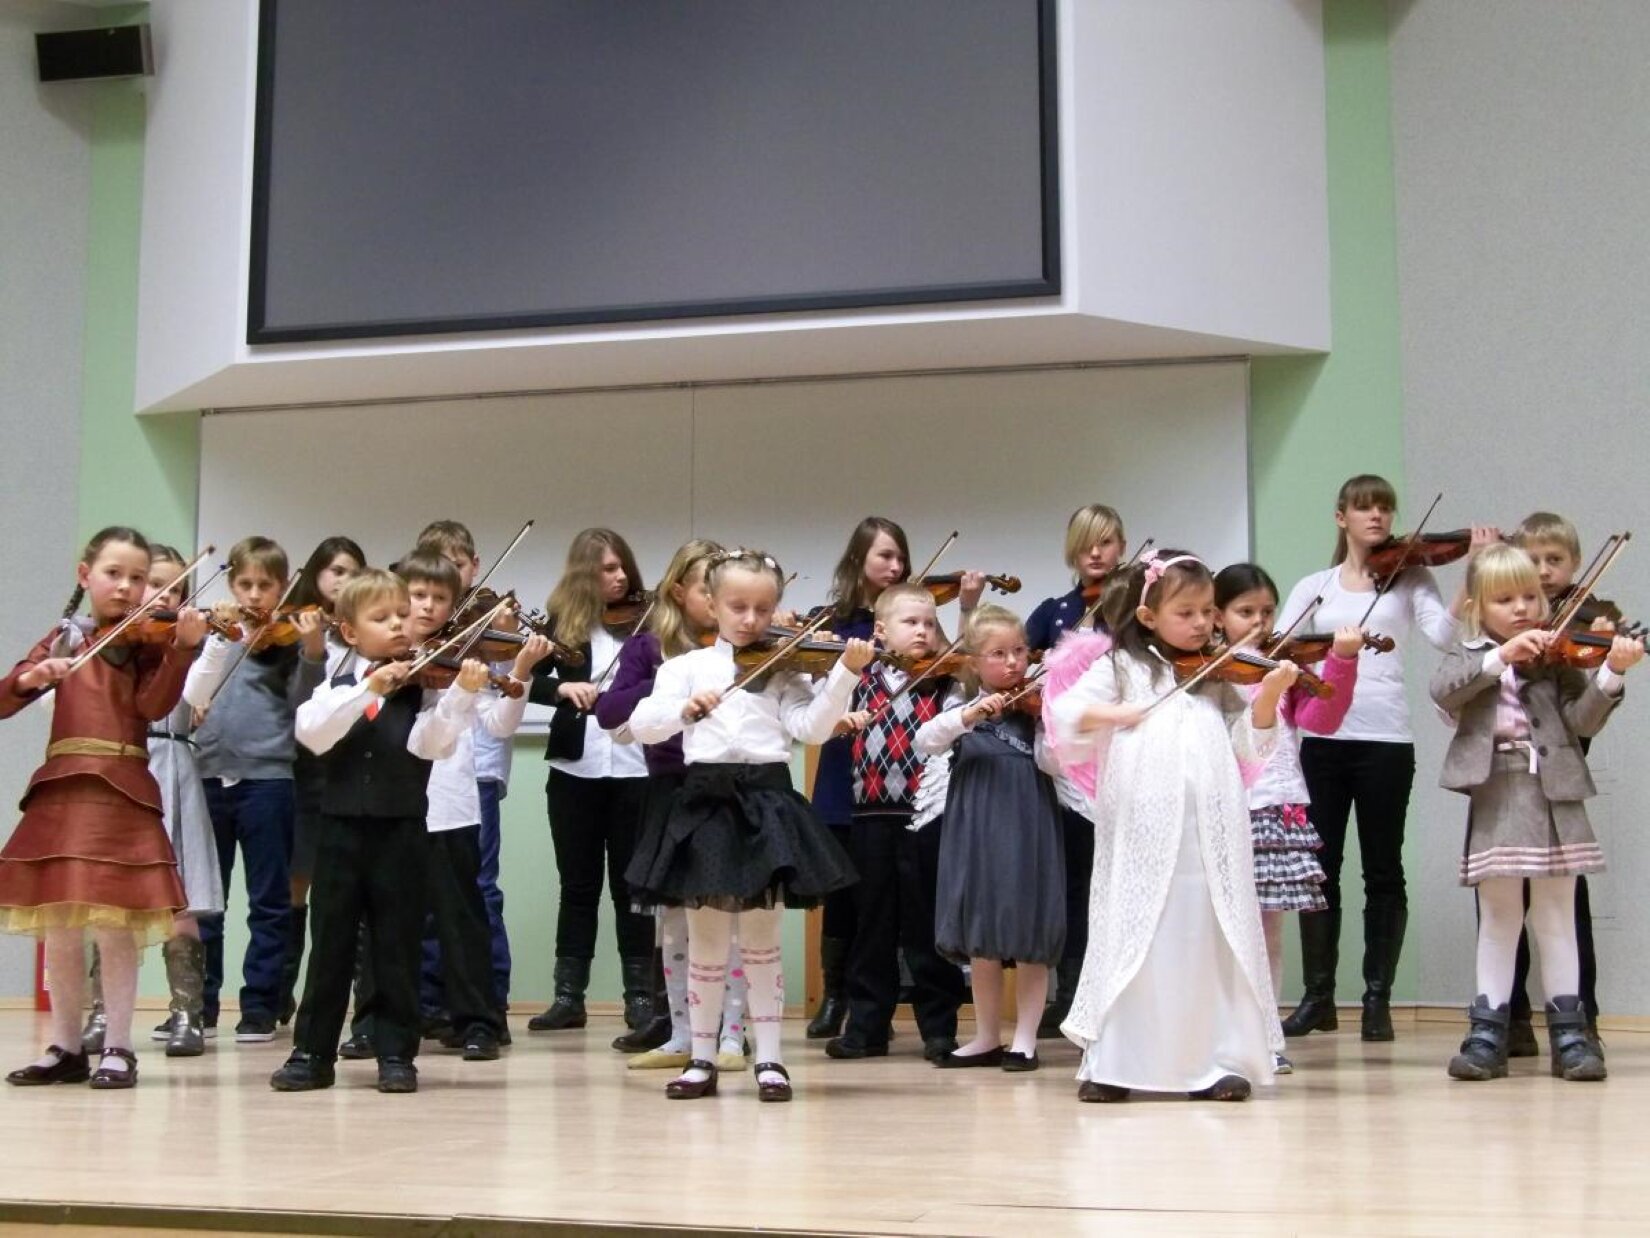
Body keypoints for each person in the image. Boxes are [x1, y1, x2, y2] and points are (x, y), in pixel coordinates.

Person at [1051, 551, 1294, 1103]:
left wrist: (1271, 695)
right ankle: (1116, 1063)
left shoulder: (1221, 674)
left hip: (1210, 832)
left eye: (1208, 611)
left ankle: (1216, 1061)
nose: (1202, 623)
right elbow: (1066, 715)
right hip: (1141, 828)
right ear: (1148, 616)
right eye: (1186, 612)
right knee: (1140, 931)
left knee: (1206, 934)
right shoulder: (1119, 668)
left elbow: (1249, 747)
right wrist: (1111, 714)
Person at [628, 549, 869, 1101]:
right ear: (711, 605)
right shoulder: (683, 668)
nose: (752, 619)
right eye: (738, 606)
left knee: (762, 943)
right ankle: (702, 1057)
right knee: (707, 943)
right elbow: (641, 725)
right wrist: (685, 710)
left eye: (764, 607)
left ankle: (771, 1059)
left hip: (765, 802)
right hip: (706, 804)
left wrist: (843, 676)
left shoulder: (783, 667)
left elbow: (811, 729)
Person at [1276, 476, 1495, 1041]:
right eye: (1364, 507)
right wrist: (1324, 658)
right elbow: (1278, 647)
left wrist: (1471, 574)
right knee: (1320, 872)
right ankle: (1319, 997)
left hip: (1386, 742)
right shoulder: (1316, 586)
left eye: (1384, 508)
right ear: (1340, 516)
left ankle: (1378, 1001)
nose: (1376, 516)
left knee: (1383, 871)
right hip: (1321, 743)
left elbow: (1448, 637)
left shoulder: (1411, 577)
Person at [2, 527, 204, 1089]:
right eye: (114, 574)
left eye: (138, 578)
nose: (127, 587)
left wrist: (184, 651)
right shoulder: (65, 637)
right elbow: (4, 700)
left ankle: (118, 1045)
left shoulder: (147, 644)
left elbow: (152, 704)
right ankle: (65, 1047)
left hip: (120, 787)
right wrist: (33, 676)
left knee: (115, 927)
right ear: (84, 574)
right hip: (63, 786)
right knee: (62, 926)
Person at [1431, 544, 1639, 1083]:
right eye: (1505, 599)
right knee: (1500, 918)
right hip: (1498, 791)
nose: (1522, 607)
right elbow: (1444, 691)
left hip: (1553, 792)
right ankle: (1486, 1033)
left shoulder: (1556, 658)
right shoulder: (1470, 653)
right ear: (1479, 605)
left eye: (1530, 596)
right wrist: (1501, 657)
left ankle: (1571, 1033)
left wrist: (1611, 674)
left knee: (1556, 916)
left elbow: (1583, 722)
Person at [269, 569, 479, 1094]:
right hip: (339, 830)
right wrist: (369, 687)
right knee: (331, 946)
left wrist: (459, 698)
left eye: (403, 616)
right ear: (349, 631)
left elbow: (432, 745)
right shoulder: (334, 684)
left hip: (402, 829)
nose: (399, 626)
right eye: (382, 618)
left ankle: (396, 1053)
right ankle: (312, 1053)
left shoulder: (424, 686)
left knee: (398, 945)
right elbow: (314, 734)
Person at [594, 539, 752, 1071]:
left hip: (725, 787)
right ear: (679, 590)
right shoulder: (650, 645)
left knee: (726, 915)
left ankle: (732, 1035)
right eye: (706, 587)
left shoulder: (741, 644)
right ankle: (683, 1033)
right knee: (674, 920)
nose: (715, 598)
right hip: (668, 788)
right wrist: (670, 692)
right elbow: (610, 709)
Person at [1213, 562, 1361, 1072]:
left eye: (1268, 611)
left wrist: (1340, 662)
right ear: (1218, 616)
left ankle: (1267, 1035)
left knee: (1268, 930)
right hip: (1226, 806)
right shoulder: (1210, 669)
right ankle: (1222, 1033)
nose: (1259, 621)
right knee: (1226, 931)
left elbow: (1323, 718)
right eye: (1244, 612)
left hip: (1277, 805)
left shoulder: (1285, 666)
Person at [184, 536, 327, 1043]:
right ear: (230, 583)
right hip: (207, 772)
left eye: (265, 585)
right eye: (244, 583)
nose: (254, 593)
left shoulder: (288, 642)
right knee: (205, 898)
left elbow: (306, 704)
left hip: (267, 778)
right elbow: (188, 693)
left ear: (282, 586)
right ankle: (197, 1005)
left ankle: (260, 1008)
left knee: (268, 898)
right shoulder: (212, 635)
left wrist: (312, 652)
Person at [917, 604, 1064, 1072]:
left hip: (1026, 820)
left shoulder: (1037, 705)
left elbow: (1054, 765)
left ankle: (1024, 1039)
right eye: (998, 654)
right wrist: (969, 716)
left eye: (1019, 651)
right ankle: (985, 1037)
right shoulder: (961, 708)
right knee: (981, 933)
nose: (1013, 662)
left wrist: (1048, 722)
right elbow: (926, 740)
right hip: (976, 822)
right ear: (974, 662)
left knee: (1029, 931)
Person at [827, 583, 965, 1063]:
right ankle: (867, 1026)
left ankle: (940, 1029)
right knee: (873, 926)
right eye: (912, 623)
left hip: (926, 818)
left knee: (928, 927)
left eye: (929, 623)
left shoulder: (945, 680)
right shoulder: (858, 678)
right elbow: (823, 712)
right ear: (881, 630)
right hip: (870, 818)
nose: (923, 631)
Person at [525, 528, 654, 1034]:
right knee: (577, 887)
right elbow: (518, 681)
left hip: (636, 769)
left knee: (631, 888)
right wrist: (560, 687)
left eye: (622, 567)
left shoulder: (650, 626)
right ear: (584, 574)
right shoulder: (563, 627)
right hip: (575, 772)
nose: (620, 577)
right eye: (607, 569)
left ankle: (640, 999)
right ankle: (568, 997)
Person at [1024, 503, 1128, 1037]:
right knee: (1071, 881)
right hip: (1066, 761)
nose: (1097, 552)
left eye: (1108, 541)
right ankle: (1069, 994)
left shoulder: (1134, 609)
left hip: (1121, 752)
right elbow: (1018, 672)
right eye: (1088, 541)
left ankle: (1113, 990)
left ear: (1122, 547)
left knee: (1113, 878)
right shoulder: (1053, 612)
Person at [1504, 512, 1606, 1048]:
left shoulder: (1583, 623)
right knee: (1504, 898)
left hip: (1561, 776)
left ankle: (1580, 1016)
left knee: (1568, 901)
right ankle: (1511, 1016)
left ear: (1575, 565)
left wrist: (1610, 661)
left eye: (1554, 561)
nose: (1543, 573)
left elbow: (1582, 712)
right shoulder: (1505, 625)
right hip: (1509, 781)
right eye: (1533, 560)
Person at [279, 534, 365, 1028]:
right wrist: (312, 651)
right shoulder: (293, 632)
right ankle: (280, 995)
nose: (343, 579)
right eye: (335, 570)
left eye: (353, 571)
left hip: (351, 768)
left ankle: (352, 1000)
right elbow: (297, 709)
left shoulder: (369, 630)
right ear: (315, 576)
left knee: (347, 891)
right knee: (296, 885)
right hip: (304, 770)